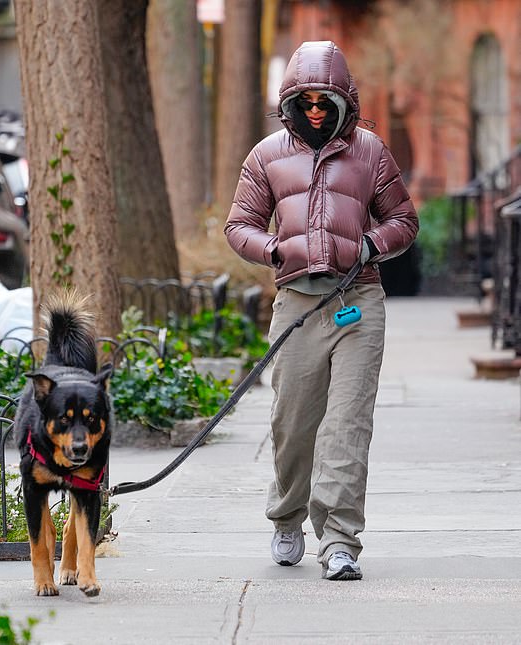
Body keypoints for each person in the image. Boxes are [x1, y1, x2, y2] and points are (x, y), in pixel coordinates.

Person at [224, 41, 418, 580]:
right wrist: (274, 250)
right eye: (305, 101)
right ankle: (287, 518)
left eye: (324, 101)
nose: (315, 110)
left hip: (358, 300)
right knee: (293, 423)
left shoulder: (371, 153)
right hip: (296, 304)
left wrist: (371, 246)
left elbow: (404, 220)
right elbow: (238, 226)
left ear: (343, 101)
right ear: (289, 103)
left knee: (347, 425)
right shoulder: (266, 156)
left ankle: (339, 541)